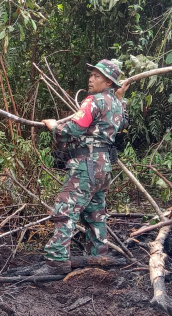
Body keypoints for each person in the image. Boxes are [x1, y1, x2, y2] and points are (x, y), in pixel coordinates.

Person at [37, 59, 129, 275]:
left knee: (65, 210)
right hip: (104, 166)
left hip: (86, 164)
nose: (91, 79)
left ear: (108, 82)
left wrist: (54, 127)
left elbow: (72, 131)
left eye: (97, 76)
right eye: (91, 75)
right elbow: (123, 125)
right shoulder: (118, 104)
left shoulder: (93, 101)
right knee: (96, 213)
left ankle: (56, 260)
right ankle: (98, 257)